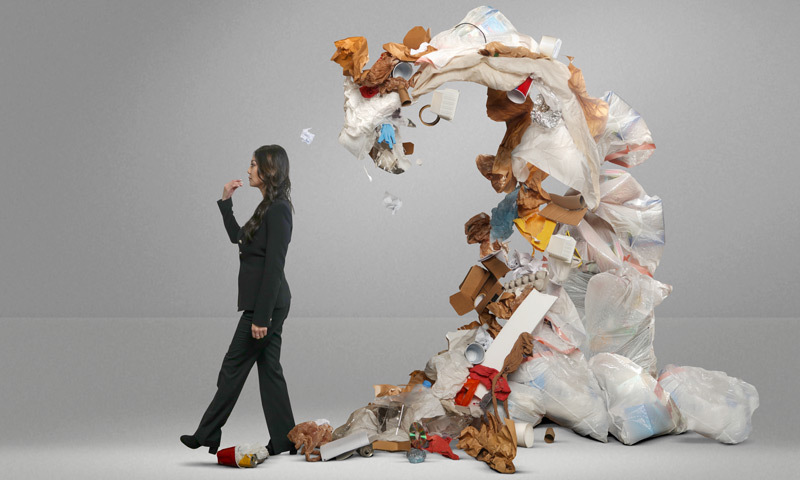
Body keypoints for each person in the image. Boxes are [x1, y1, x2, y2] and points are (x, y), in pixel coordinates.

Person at [181, 144, 297, 457]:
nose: (248, 171)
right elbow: (239, 238)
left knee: (232, 368)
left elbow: (275, 266)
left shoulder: (279, 210)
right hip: (264, 303)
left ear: (268, 169)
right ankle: (286, 439)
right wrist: (225, 203)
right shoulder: (267, 207)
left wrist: (261, 318)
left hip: (266, 305)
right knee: (269, 370)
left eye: (253, 164)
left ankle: (207, 433)